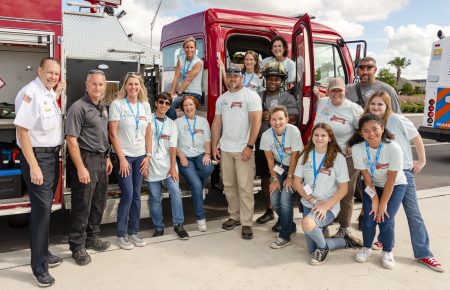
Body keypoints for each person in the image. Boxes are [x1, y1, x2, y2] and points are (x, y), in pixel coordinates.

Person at [364, 91, 445, 272]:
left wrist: (422, 160)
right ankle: (383, 241)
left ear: (387, 106)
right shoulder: (369, 122)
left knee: (413, 213)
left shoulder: (397, 120)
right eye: (373, 104)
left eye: (380, 104)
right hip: (379, 173)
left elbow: (416, 137)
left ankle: (424, 253)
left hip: (402, 173)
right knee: (386, 212)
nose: (376, 107)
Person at [14, 57, 64, 287]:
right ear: (39, 70)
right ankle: (39, 268)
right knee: (41, 212)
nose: (54, 76)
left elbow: (46, 113)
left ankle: (43, 252)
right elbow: (23, 131)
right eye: (50, 72)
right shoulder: (31, 93)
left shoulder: (47, 93)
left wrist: (56, 92)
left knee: (45, 210)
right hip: (38, 157)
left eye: (57, 73)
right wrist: (33, 165)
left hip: (52, 156)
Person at [65, 69, 113, 266]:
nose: (98, 88)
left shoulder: (102, 108)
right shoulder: (78, 108)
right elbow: (71, 140)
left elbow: (103, 136)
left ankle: (93, 237)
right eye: (94, 84)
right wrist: (81, 167)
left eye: (101, 84)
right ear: (86, 84)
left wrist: (108, 157)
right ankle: (77, 245)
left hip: (102, 161)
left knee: (98, 202)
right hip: (86, 161)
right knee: (82, 204)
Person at [348, 114, 407, 269]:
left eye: (375, 129)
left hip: (395, 185)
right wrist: (374, 200)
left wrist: (383, 204)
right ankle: (366, 248)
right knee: (369, 218)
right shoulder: (357, 149)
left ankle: (387, 251)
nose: (371, 134)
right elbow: (366, 176)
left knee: (385, 218)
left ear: (382, 128)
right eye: (366, 131)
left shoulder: (393, 148)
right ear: (361, 134)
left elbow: (392, 179)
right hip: (372, 185)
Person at [293, 123, 356, 265]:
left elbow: (343, 189)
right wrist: (313, 201)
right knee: (311, 249)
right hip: (310, 203)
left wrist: (325, 206)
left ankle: (323, 248)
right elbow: (297, 182)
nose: (319, 138)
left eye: (323, 135)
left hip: (329, 206)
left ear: (329, 138)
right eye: (316, 135)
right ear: (311, 137)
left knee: (308, 223)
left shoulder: (337, 157)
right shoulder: (306, 155)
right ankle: (342, 241)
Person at [211, 66, 262, 240]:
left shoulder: (251, 96)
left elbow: (256, 123)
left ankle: (247, 223)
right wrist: (214, 145)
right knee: (229, 186)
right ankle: (234, 216)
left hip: (243, 150)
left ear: (242, 78)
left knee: (245, 187)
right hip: (225, 149)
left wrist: (249, 146)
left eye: (236, 75)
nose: (232, 78)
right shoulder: (222, 99)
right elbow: (217, 124)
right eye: (230, 75)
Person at [314, 78, 363, 245]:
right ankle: (324, 223)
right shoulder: (322, 103)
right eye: (333, 90)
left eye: (339, 90)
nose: (336, 93)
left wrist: (352, 143)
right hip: (324, 155)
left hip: (346, 157)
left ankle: (344, 228)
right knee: (323, 190)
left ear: (345, 91)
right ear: (327, 91)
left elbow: (364, 129)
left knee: (346, 192)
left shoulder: (354, 109)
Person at [108, 72, 152, 250]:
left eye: (136, 84)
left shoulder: (145, 106)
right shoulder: (117, 105)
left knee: (136, 195)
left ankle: (133, 232)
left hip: (140, 156)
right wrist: (122, 159)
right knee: (127, 194)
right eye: (130, 84)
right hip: (124, 157)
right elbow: (112, 134)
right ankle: (120, 235)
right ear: (125, 86)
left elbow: (148, 133)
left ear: (141, 86)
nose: (133, 87)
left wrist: (148, 156)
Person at [255, 62, 299, 229]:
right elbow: (253, 117)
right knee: (266, 177)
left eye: (276, 79)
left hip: (283, 147)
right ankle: (269, 210)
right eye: (270, 79)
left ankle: (283, 218)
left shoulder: (287, 97)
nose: (273, 82)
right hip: (263, 143)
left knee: (282, 181)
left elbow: (293, 118)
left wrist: (267, 116)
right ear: (265, 80)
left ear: (282, 81)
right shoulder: (258, 96)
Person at [146, 92, 189, 240]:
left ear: (169, 106)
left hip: (168, 166)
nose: (164, 105)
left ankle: (179, 225)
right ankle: (158, 227)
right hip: (152, 166)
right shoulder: (148, 120)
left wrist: (172, 168)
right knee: (155, 198)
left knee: (176, 193)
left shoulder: (171, 124)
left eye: (167, 103)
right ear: (156, 103)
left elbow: (173, 148)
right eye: (161, 102)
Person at [259, 105, 302, 248]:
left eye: (280, 119)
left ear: (287, 119)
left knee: (285, 199)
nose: (277, 123)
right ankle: (291, 225)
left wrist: (290, 177)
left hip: (295, 167)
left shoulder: (293, 131)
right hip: (278, 167)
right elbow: (270, 160)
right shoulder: (266, 136)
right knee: (275, 200)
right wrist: (275, 179)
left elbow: (295, 156)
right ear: (269, 121)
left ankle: (285, 236)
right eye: (274, 119)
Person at [175, 95, 215, 232]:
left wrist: (208, 154)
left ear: (195, 105)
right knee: (197, 185)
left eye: (190, 104)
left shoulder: (203, 121)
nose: (188, 107)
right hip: (185, 156)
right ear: (182, 108)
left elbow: (208, 140)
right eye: (185, 105)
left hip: (200, 154)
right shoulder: (177, 122)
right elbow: (173, 144)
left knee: (209, 167)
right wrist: (180, 156)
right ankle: (200, 218)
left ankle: (198, 186)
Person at [168, 36, 203, 120]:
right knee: (167, 101)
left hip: (194, 93)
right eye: (187, 47)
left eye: (191, 47)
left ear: (195, 48)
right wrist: (172, 94)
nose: (189, 50)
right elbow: (176, 77)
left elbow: (188, 80)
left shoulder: (198, 62)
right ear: (183, 48)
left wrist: (178, 94)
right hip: (183, 92)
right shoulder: (180, 59)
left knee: (171, 104)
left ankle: (174, 125)